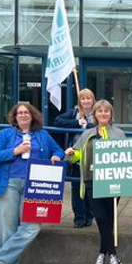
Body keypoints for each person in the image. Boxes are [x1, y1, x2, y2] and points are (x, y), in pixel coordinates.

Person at [0, 103, 64, 264]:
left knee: (33, 226)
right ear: (15, 117)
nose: (22, 115)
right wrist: (15, 151)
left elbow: (58, 149)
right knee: (8, 227)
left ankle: (0, 257)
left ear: (32, 116)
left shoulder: (42, 134)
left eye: (26, 113)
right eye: (19, 113)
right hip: (9, 183)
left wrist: (56, 156)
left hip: (35, 185)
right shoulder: (5, 134)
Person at [65, 100, 127, 264]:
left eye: (106, 111)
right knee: (100, 217)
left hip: (113, 182)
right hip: (92, 181)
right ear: (95, 114)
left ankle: (102, 254)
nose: (103, 114)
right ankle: (114, 256)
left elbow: (125, 157)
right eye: (100, 111)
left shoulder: (119, 133)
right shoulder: (88, 134)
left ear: (111, 114)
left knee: (109, 218)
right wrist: (72, 154)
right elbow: (77, 156)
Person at [54, 88, 96, 228]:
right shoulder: (74, 112)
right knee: (76, 186)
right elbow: (58, 121)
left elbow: (101, 126)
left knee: (90, 187)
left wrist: (87, 125)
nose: (86, 101)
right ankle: (79, 217)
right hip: (75, 153)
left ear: (93, 99)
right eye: (83, 98)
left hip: (92, 154)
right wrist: (77, 123)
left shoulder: (98, 112)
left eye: (88, 98)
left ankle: (89, 216)